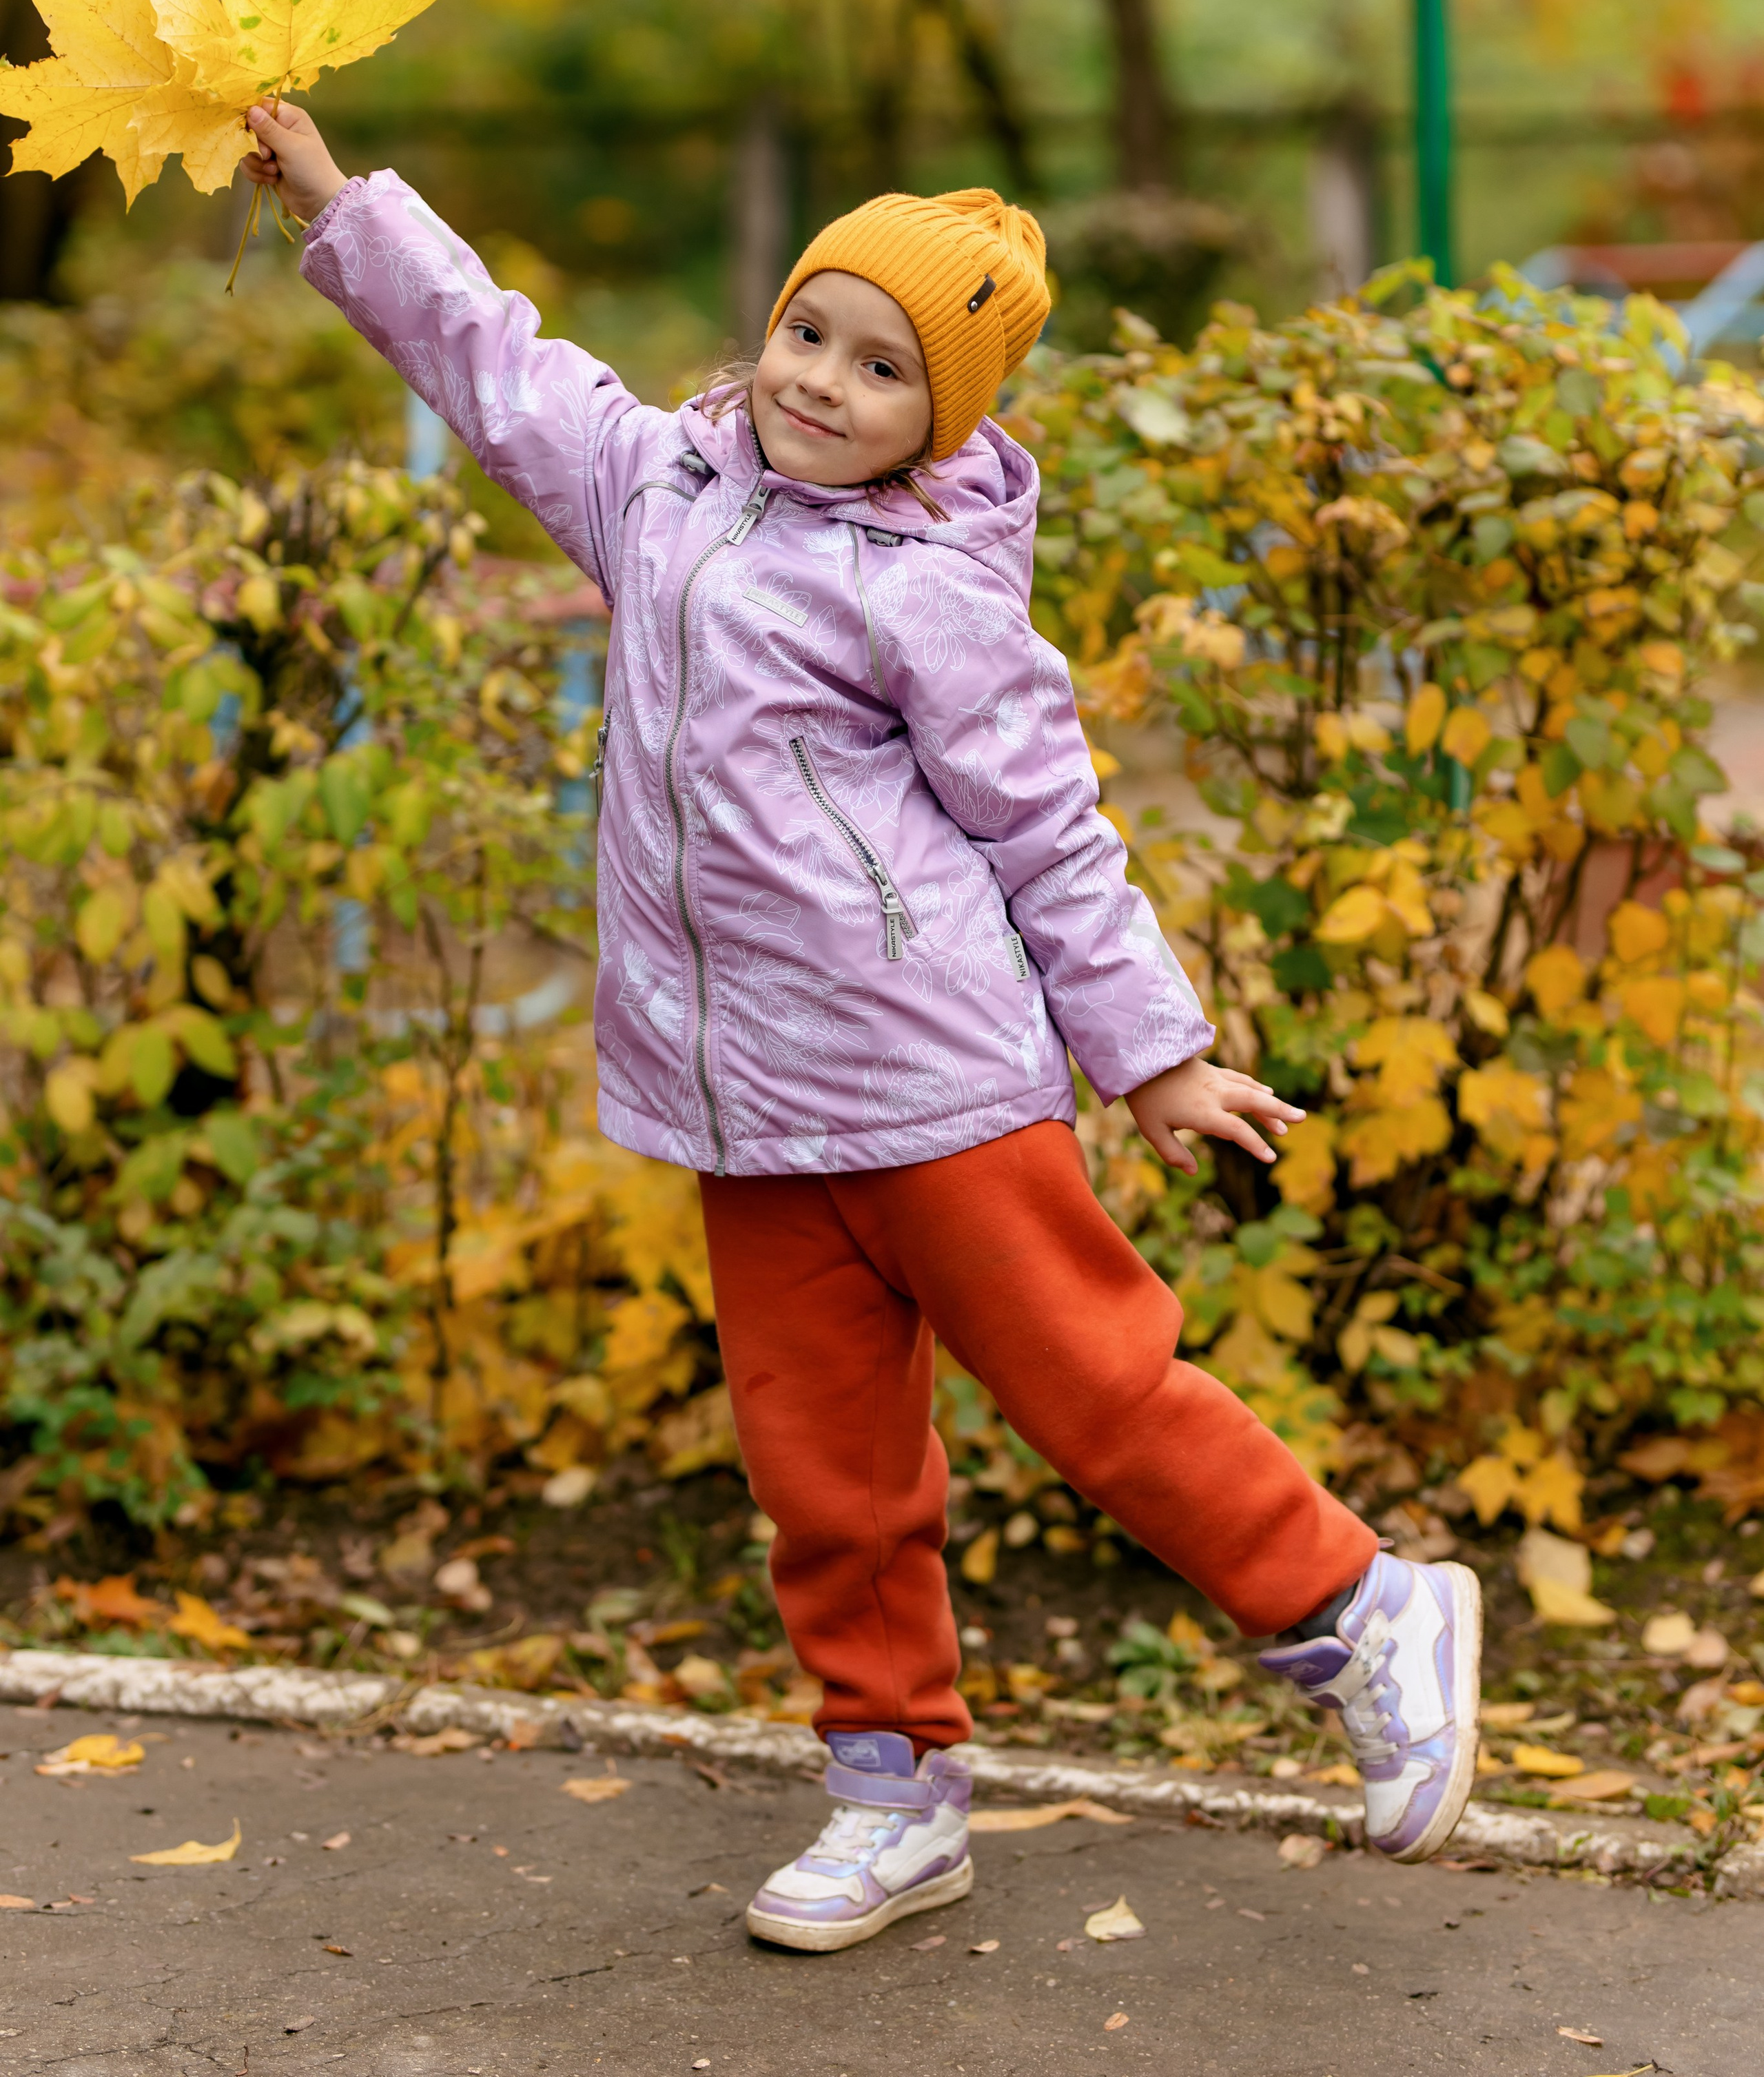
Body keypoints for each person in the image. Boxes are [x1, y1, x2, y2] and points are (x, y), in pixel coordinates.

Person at [246, 103, 1482, 1952]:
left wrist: (1151, 1055)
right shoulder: (646, 484)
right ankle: (892, 1790)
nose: (826, 381)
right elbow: (483, 355)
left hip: (936, 1086)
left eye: (886, 367)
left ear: (950, 414)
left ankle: (1365, 1607)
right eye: (814, 329)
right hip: (747, 1109)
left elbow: (1049, 827)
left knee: (1097, 1392)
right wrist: (342, 204)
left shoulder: (931, 591)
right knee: (824, 1475)